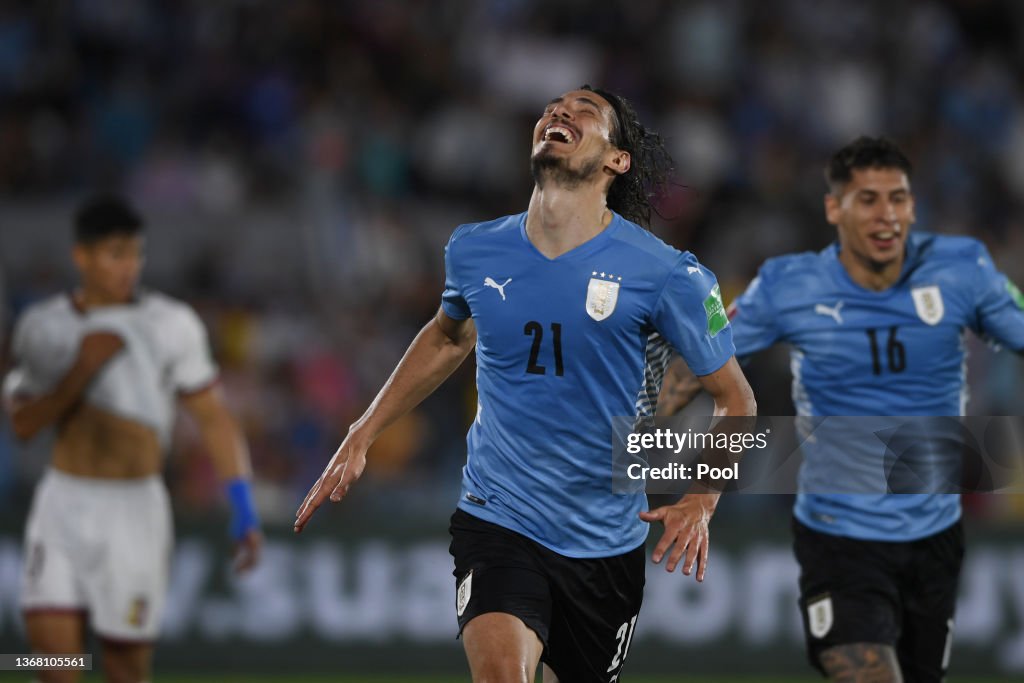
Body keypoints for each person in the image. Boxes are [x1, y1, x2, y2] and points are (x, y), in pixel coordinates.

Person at [294, 86, 756, 682]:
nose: (559, 113)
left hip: (604, 542)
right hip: (499, 517)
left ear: (618, 160)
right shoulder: (475, 248)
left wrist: (701, 497)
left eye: (584, 111)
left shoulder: (669, 275)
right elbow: (447, 337)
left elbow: (735, 398)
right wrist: (364, 430)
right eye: (552, 108)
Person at [659, 136, 1024, 682]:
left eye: (897, 198)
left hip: (933, 542)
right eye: (868, 199)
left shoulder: (962, 270)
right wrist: (630, 427)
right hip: (839, 539)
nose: (886, 215)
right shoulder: (789, 285)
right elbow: (699, 368)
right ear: (835, 208)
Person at [2, 196, 263, 683]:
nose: (129, 266)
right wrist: (80, 371)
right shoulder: (44, 326)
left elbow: (213, 418)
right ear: (82, 256)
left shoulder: (170, 324)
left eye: (136, 254)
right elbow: (22, 425)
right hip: (63, 500)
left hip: (136, 510)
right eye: (115, 253)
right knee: (55, 666)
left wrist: (243, 505)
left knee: (125, 671)